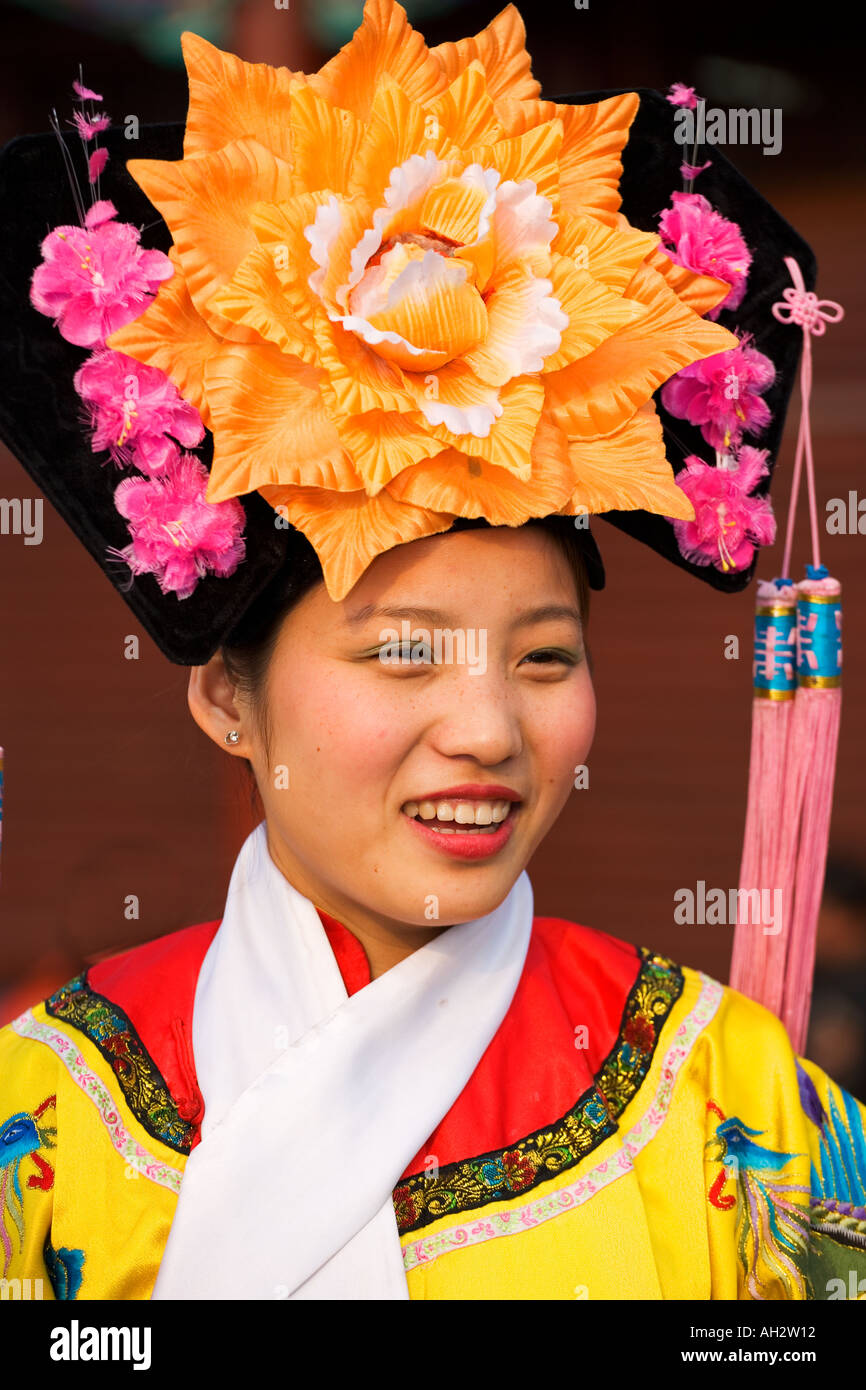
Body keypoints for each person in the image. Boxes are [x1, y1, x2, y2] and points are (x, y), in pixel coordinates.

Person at [1, 0, 864, 1302]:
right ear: (227, 697)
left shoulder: (734, 1096)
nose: (487, 729)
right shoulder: (44, 1109)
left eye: (540, 657)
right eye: (403, 652)